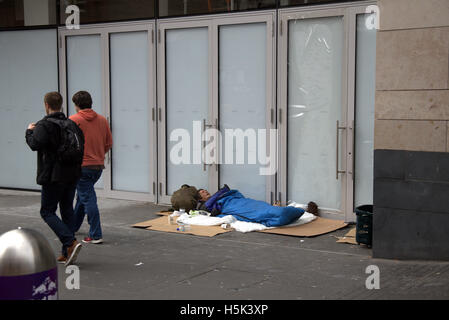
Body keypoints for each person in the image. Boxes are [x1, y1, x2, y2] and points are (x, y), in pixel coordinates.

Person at [25, 91, 84, 266]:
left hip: (53, 175)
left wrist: (29, 131)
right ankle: (67, 251)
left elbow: (35, 144)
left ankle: (70, 242)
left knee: (47, 211)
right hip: (72, 174)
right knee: (66, 209)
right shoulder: (71, 124)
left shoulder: (44, 125)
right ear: (61, 105)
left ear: (46, 105)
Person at [69, 91, 112, 244]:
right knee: (83, 196)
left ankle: (95, 234)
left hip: (81, 167)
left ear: (76, 105)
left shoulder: (73, 120)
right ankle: (73, 226)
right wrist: (98, 154)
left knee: (88, 198)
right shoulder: (102, 120)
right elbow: (108, 143)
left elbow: (68, 144)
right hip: (97, 166)